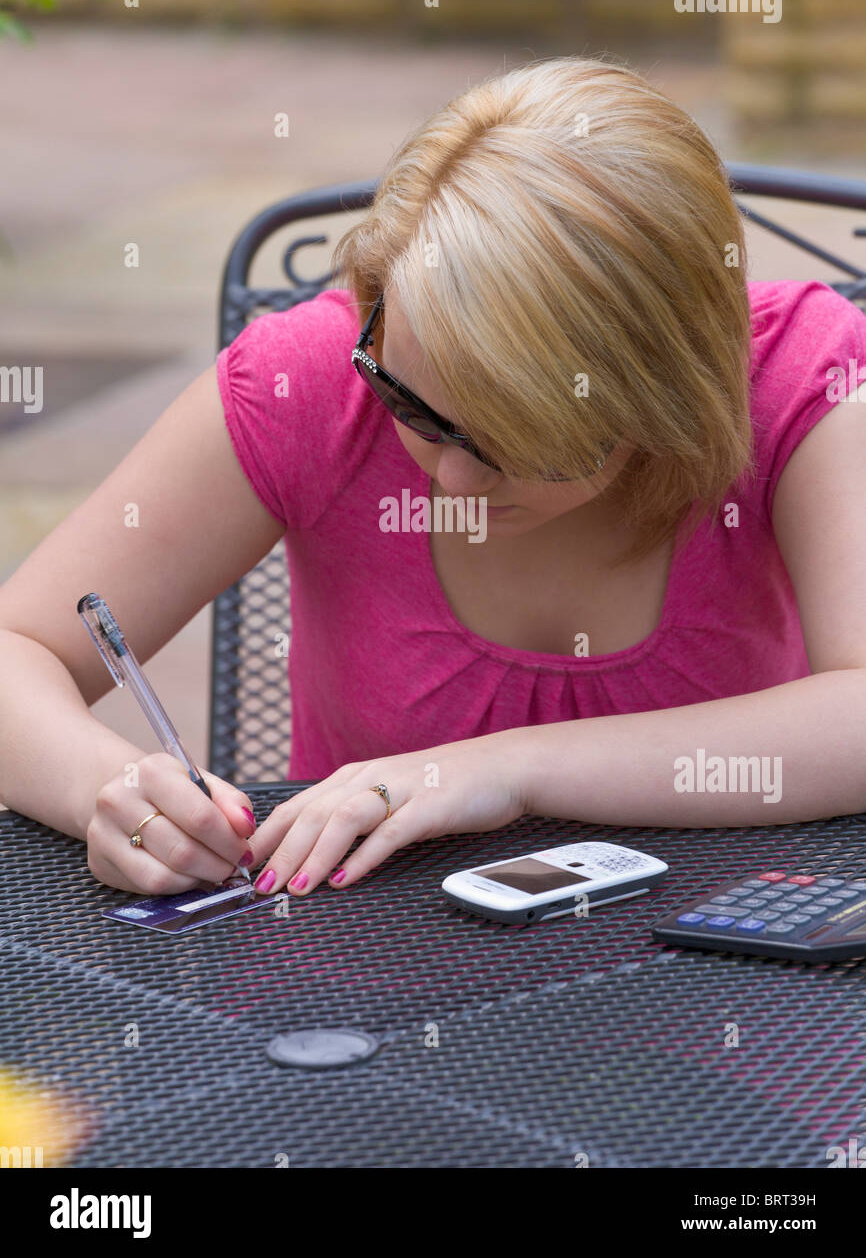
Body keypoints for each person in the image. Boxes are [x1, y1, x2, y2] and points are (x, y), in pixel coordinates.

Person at [1, 55, 865, 903]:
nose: (453, 482)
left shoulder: (800, 382)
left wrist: (509, 768)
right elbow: (19, 654)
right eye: (413, 408)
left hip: (728, 984)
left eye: (527, 445)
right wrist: (110, 794)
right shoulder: (311, 382)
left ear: (672, 395)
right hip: (356, 1012)